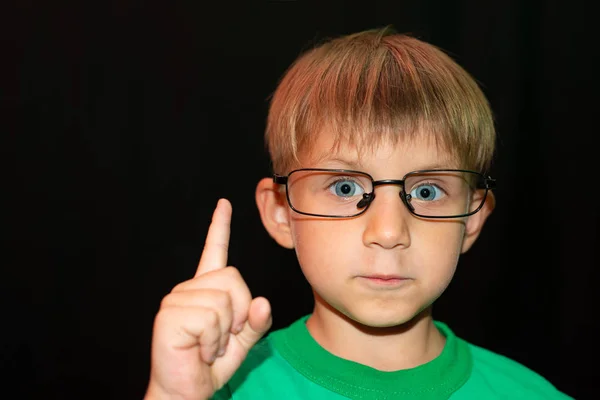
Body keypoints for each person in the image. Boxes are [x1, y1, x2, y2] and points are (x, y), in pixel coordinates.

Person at [144, 26, 572, 399]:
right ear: (280, 211)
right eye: (345, 187)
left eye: (426, 190)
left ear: (472, 217)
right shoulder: (211, 389)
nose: (388, 231)